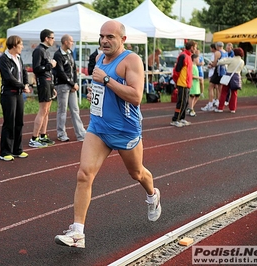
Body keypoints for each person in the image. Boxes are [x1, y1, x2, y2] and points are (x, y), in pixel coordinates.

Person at [54, 20, 161, 249]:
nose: (104, 40)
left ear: (123, 39)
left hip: (125, 130)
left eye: (110, 37)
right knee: (84, 174)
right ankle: (77, 233)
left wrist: (105, 80)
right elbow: (104, 88)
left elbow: (136, 96)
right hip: (99, 127)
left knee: (137, 173)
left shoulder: (131, 60)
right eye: (102, 36)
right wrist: (96, 89)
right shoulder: (100, 58)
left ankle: (153, 195)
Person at [0, 35, 31, 161]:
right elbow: (8, 77)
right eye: (20, 44)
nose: (22, 47)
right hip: (8, 94)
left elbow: (24, 72)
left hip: (18, 94)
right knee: (9, 122)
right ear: (13, 45)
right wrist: (23, 86)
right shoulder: (4, 59)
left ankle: (17, 149)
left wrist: (26, 84)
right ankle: (5, 151)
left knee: (19, 122)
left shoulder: (18, 58)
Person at [53, 34, 86, 142]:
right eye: (71, 41)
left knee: (75, 109)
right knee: (62, 110)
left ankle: (81, 133)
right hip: (62, 85)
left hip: (71, 85)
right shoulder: (58, 55)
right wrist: (72, 83)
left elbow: (74, 69)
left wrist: (74, 83)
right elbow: (60, 72)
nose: (72, 43)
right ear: (66, 42)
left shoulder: (70, 53)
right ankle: (61, 133)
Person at [29, 29, 57, 148]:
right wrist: (50, 65)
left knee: (47, 111)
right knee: (43, 110)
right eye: (52, 38)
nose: (53, 40)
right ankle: (34, 138)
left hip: (49, 82)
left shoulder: (46, 51)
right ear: (46, 38)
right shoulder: (38, 50)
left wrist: (53, 86)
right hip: (43, 82)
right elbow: (36, 68)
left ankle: (43, 135)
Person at [170, 40, 197, 127]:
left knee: (185, 103)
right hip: (182, 83)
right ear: (192, 47)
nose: (196, 49)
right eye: (195, 47)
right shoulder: (183, 56)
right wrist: (176, 81)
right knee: (181, 102)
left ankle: (182, 118)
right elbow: (177, 70)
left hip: (187, 83)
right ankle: (175, 119)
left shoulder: (189, 57)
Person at [214, 48, 245, 113]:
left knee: (224, 92)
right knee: (234, 93)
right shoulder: (242, 61)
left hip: (228, 75)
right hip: (236, 76)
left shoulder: (231, 59)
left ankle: (220, 108)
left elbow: (220, 62)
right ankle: (232, 108)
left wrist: (225, 58)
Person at [202, 42, 227, 111]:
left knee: (210, 87)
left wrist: (211, 64)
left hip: (217, 72)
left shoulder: (217, 53)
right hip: (223, 71)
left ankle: (210, 104)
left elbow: (215, 63)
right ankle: (218, 103)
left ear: (217, 46)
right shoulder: (225, 52)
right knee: (219, 88)